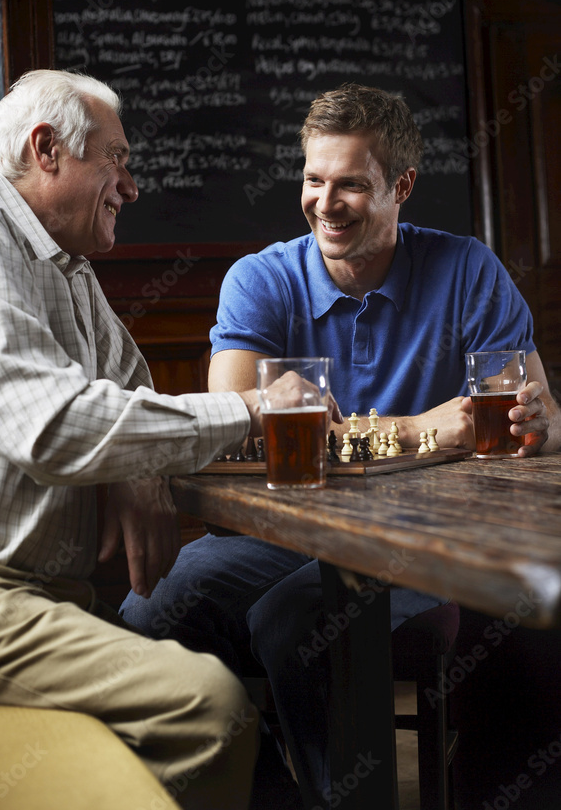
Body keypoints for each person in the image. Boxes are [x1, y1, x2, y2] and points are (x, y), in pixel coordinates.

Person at [0, 69, 336, 810]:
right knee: (206, 705)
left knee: (239, 719)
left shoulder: (66, 270)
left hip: (29, 599)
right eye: (117, 159)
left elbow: (130, 396)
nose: (129, 187)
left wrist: (138, 472)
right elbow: (50, 425)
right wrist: (254, 409)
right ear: (46, 150)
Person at [120, 83, 561, 807]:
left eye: (350, 183)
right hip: (279, 530)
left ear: (402, 186)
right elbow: (236, 441)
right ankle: (268, 794)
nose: (325, 202)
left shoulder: (468, 271)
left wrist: (539, 425)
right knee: (150, 608)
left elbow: (537, 424)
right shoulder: (260, 280)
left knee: (295, 619)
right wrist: (422, 431)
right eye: (313, 179)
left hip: (424, 538)